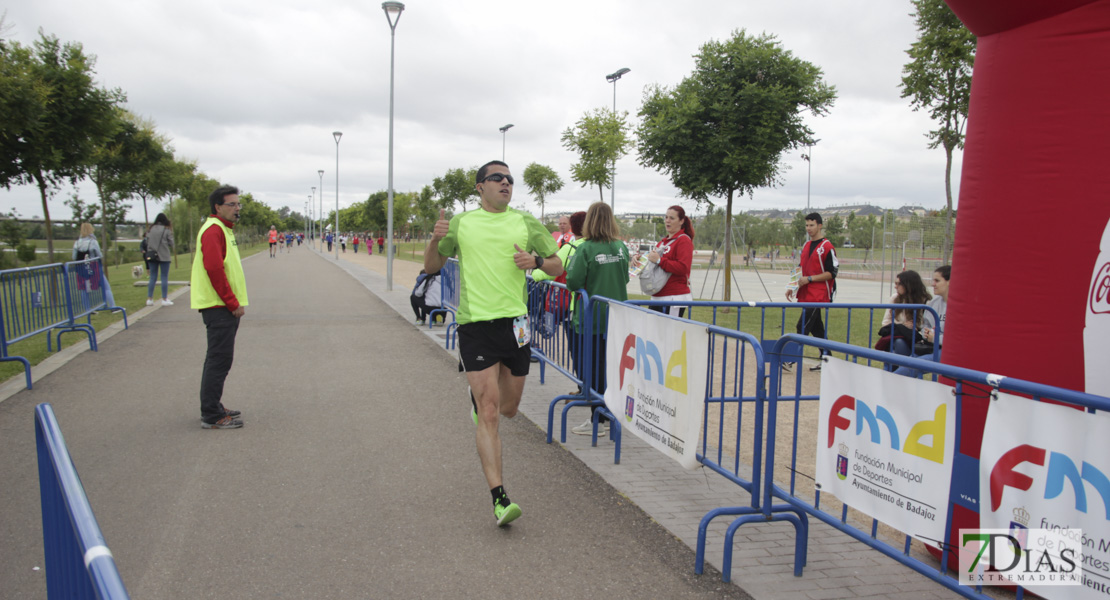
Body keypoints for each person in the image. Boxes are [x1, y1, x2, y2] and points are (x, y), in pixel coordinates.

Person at [424, 160, 562, 527]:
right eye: (497, 178)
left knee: (510, 408)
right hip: (475, 325)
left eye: (510, 179)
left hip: (516, 325)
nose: (506, 183)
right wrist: (435, 239)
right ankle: (500, 499)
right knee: (489, 412)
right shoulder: (461, 223)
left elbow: (556, 265)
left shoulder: (525, 221)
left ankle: (480, 399)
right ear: (479, 187)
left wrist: (534, 260)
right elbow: (433, 266)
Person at [565, 202, 629, 436]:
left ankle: (598, 418)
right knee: (611, 369)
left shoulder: (585, 249)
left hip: (591, 320)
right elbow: (625, 278)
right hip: (616, 318)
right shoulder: (621, 246)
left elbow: (572, 282)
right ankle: (607, 416)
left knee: (591, 370)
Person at [190, 185, 248, 430]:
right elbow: (214, 269)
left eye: (238, 204)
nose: (237, 209)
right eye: (231, 204)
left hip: (221, 305)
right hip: (219, 306)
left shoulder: (223, 229)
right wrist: (232, 302)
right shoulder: (213, 231)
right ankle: (211, 415)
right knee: (218, 359)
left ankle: (213, 405)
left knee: (219, 359)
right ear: (218, 207)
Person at [785, 212, 839, 372]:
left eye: (812, 225)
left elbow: (832, 272)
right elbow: (800, 268)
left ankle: (790, 359)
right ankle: (828, 359)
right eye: (807, 225)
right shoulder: (806, 245)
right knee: (817, 329)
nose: (809, 228)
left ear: (820, 225)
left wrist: (810, 279)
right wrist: (792, 286)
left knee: (802, 326)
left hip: (819, 294)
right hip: (806, 293)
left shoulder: (827, 247)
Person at [895, 265, 950, 378]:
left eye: (937, 281)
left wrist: (936, 338)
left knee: (910, 367)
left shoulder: (961, 307)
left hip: (945, 350)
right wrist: (927, 333)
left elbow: (959, 338)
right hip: (929, 346)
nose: (932, 284)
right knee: (902, 363)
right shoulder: (934, 303)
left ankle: (885, 387)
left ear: (950, 282)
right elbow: (926, 325)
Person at [640, 205, 695, 317]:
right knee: (654, 333)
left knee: (669, 333)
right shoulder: (663, 242)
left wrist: (660, 261)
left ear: (681, 221)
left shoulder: (683, 240)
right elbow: (652, 261)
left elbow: (683, 267)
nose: (667, 221)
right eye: (666, 217)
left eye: (672, 218)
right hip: (657, 295)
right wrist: (638, 260)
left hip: (673, 297)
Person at [879, 270, 932, 362]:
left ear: (908, 285)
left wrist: (915, 327)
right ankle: (900, 371)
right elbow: (885, 323)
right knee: (898, 343)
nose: (895, 287)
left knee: (898, 346)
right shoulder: (895, 298)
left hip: (916, 339)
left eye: (898, 284)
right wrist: (903, 326)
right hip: (896, 336)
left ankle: (900, 372)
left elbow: (927, 326)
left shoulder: (926, 301)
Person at [72, 222, 111, 309]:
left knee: (84, 289)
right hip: (93, 267)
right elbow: (99, 255)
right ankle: (112, 306)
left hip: (81, 268)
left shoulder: (77, 243)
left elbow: (74, 257)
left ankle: (87, 309)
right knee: (106, 287)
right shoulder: (93, 242)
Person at [144, 213, 176, 307]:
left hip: (152, 255)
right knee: (164, 277)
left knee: (152, 277)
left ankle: (149, 299)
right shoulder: (166, 230)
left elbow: (147, 241)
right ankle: (164, 299)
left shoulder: (151, 229)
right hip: (164, 256)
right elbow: (171, 242)